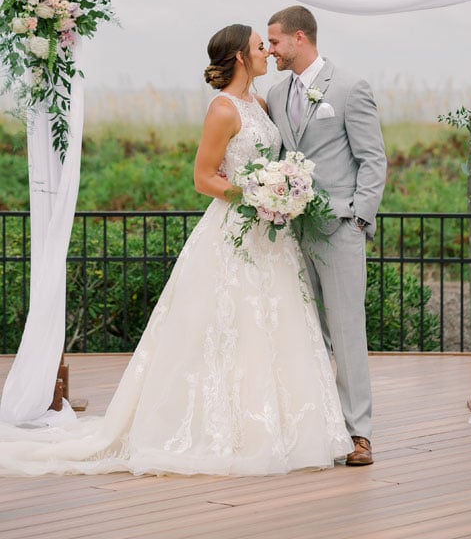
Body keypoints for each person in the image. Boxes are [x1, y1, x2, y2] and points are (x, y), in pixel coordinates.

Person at [0, 23, 352, 477]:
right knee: (224, 327)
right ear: (241, 57)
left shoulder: (261, 105)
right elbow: (204, 177)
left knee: (270, 327)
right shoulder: (223, 110)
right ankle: (217, 429)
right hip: (236, 228)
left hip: (271, 235)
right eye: (258, 46)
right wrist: (255, 196)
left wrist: (279, 193)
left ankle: (277, 428)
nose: (266, 51)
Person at [267, 6, 387, 466]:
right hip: (290, 232)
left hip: (339, 229)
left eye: (275, 41)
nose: (271, 49)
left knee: (346, 331)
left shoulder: (350, 86)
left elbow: (373, 159)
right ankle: (317, 429)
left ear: (300, 38)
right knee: (304, 333)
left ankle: (360, 434)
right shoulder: (277, 95)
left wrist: (359, 218)